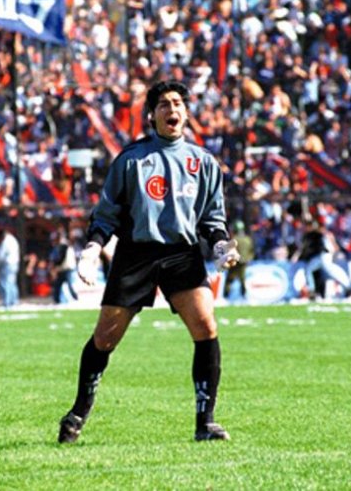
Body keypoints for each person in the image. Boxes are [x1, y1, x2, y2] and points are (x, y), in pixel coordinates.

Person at [58, 81, 241, 444]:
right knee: (105, 339)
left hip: (182, 253)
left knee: (206, 326)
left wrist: (221, 247)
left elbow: (213, 221)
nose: (171, 109)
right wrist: (93, 249)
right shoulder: (131, 160)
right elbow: (106, 214)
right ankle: (77, 412)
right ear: (152, 115)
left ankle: (205, 422)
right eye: (163, 105)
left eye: (177, 103)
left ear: (186, 113)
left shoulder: (204, 163)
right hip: (136, 253)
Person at [292, 219, 351, 301]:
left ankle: (347, 287)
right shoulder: (314, 234)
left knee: (330, 272)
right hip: (321, 256)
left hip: (324, 256)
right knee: (313, 271)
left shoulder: (317, 234)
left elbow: (328, 244)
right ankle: (346, 287)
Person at [224, 221, 254, 302]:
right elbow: (251, 252)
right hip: (244, 263)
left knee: (229, 280)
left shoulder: (234, 240)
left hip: (234, 263)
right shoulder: (248, 239)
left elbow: (228, 251)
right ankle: (244, 296)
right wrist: (248, 259)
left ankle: (225, 297)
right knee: (243, 280)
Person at [0, 225, 21, 308]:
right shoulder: (13, 240)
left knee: (6, 283)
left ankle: (7, 302)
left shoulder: (6, 242)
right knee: (12, 283)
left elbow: (1, 255)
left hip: (7, 265)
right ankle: (14, 301)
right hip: (14, 263)